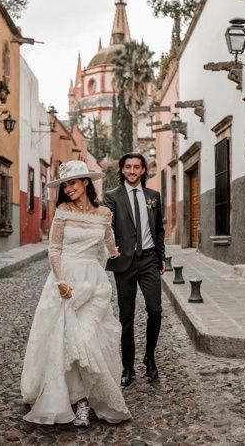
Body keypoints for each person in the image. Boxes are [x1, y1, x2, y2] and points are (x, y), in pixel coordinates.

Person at [20, 160, 131, 428]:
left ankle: (92, 397)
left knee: (88, 338)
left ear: (85, 183)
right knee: (67, 342)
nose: (69, 188)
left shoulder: (104, 213)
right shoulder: (62, 211)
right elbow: (54, 249)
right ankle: (79, 401)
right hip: (66, 283)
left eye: (73, 183)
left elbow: (107, 242)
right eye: (65, 184)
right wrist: (60, 280)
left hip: (93, 284)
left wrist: (117, 252)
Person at [103, 152, 166, 387]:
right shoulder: (112, 197)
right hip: (124, 262)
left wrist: (162, 258)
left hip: (149, 259)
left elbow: (158, 229)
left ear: (142, 170)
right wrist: (111, 248)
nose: (131, 171)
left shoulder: (153, 196)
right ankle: (127, 366)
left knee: (156, 310)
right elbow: (107, 226)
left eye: (136, 167)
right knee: (126, 317)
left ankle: (149, 358)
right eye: (127, 167)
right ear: (122, 170)